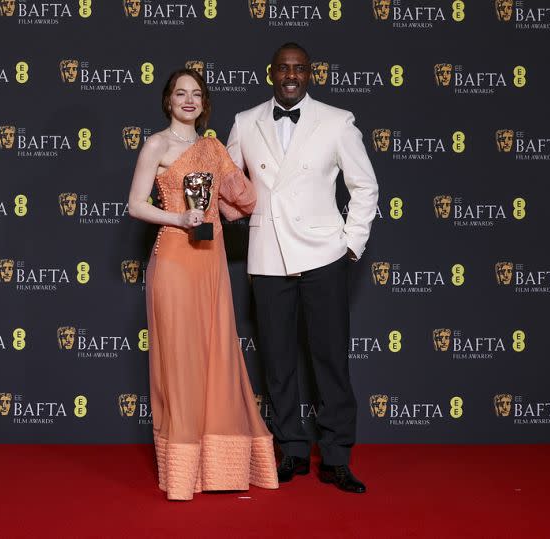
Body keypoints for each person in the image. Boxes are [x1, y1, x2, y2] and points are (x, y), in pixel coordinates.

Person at [226, 43, 379, 494]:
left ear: (310, 74)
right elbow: (231, 186)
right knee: (276, 361)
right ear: (271, 73)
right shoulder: (245, 121)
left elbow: (364, 186)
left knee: (330, 358)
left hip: (322, 255)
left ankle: (335, 456)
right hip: (268, 255)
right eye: (284, 68)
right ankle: (291, 448)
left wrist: (350, 244)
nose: (291, 75)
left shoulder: (336, 120)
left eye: (299, 68)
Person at [128, 68, 279, 501]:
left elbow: (242, 202)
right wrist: (178, 217)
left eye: (196, 94)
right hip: (174, 256)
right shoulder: (156, 145)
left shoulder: (212, 148)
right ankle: (182, 473)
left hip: (209, 259)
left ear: (204, 103)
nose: (188, 100)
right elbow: (135, 204)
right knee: (180, 358)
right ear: (168, 100)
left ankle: (218, 468)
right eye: (181, 93)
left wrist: (237, 171)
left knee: (217, 353)